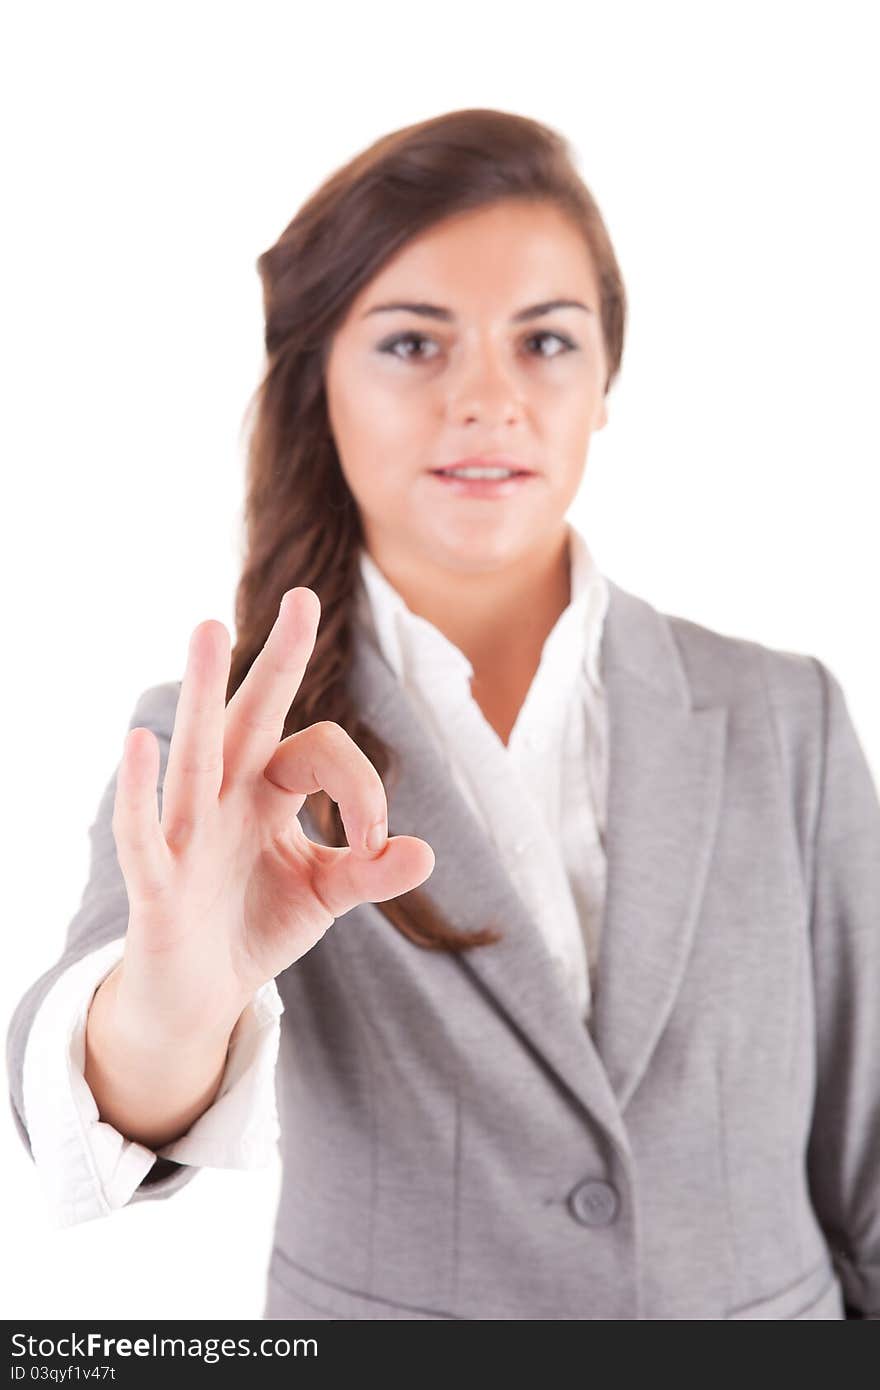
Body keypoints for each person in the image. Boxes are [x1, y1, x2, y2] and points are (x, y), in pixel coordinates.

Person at [7, 108, 879, 1321]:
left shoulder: (785, 715)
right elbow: (90, 1096)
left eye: (546, 341)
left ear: (606, 381)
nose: (487, 397)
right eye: (415, 344)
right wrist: (172, 1002)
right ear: (319, 380)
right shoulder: (233, 744)